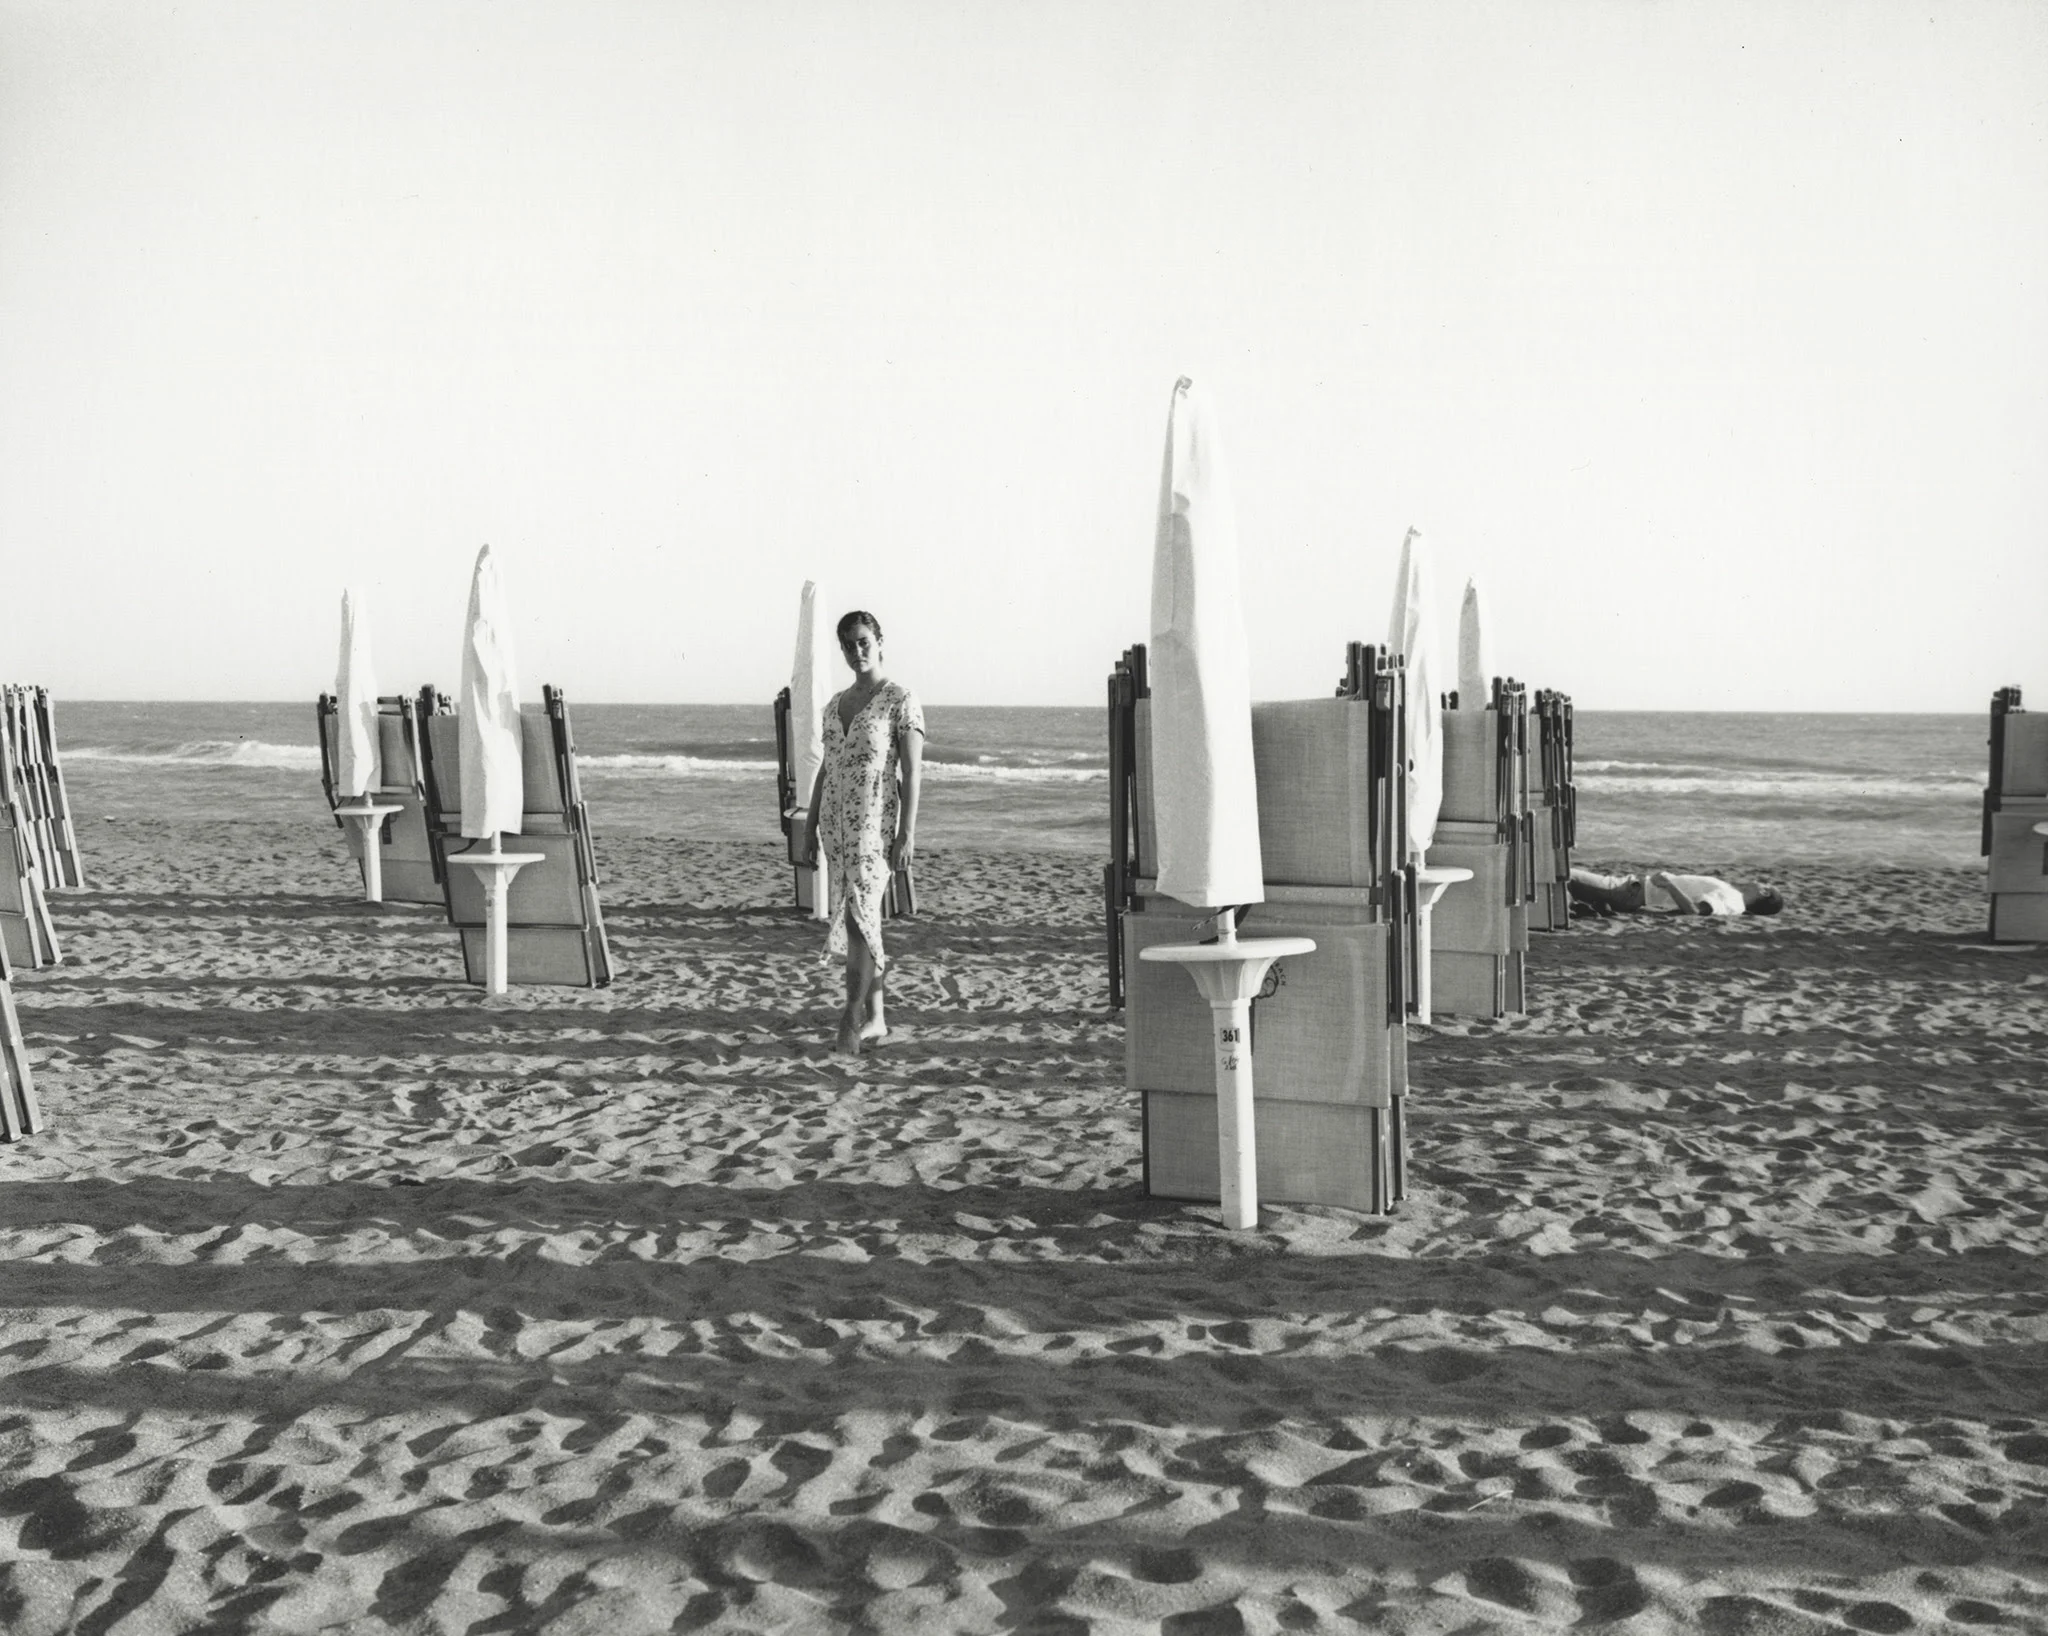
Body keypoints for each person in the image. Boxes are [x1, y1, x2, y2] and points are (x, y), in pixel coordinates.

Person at [798, 611, 924, 1056]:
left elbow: (911, 772)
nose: (857, 651)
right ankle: (878, 1019)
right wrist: (810, 828)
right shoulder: (834, 704)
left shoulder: (900, 700)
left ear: (880, 640)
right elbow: (826, 771)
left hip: (875, 831)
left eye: (864, 641)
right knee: (865, 925)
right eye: (849, 644)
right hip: (836, 832)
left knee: (858, 922)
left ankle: (850, 1017)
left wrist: (906, 835)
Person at [1569, 866, 1783, 918]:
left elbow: (1696, 912)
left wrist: (1669, 884)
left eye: (1763, 884)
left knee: (1565, 873)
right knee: (1569, 880)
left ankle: (1574, 905)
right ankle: (1578, 905)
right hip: (1634, 889)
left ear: (1764, 893)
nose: (1757, 881)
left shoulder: (1733, 902)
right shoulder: (1733, 897)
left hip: (1630, 892)